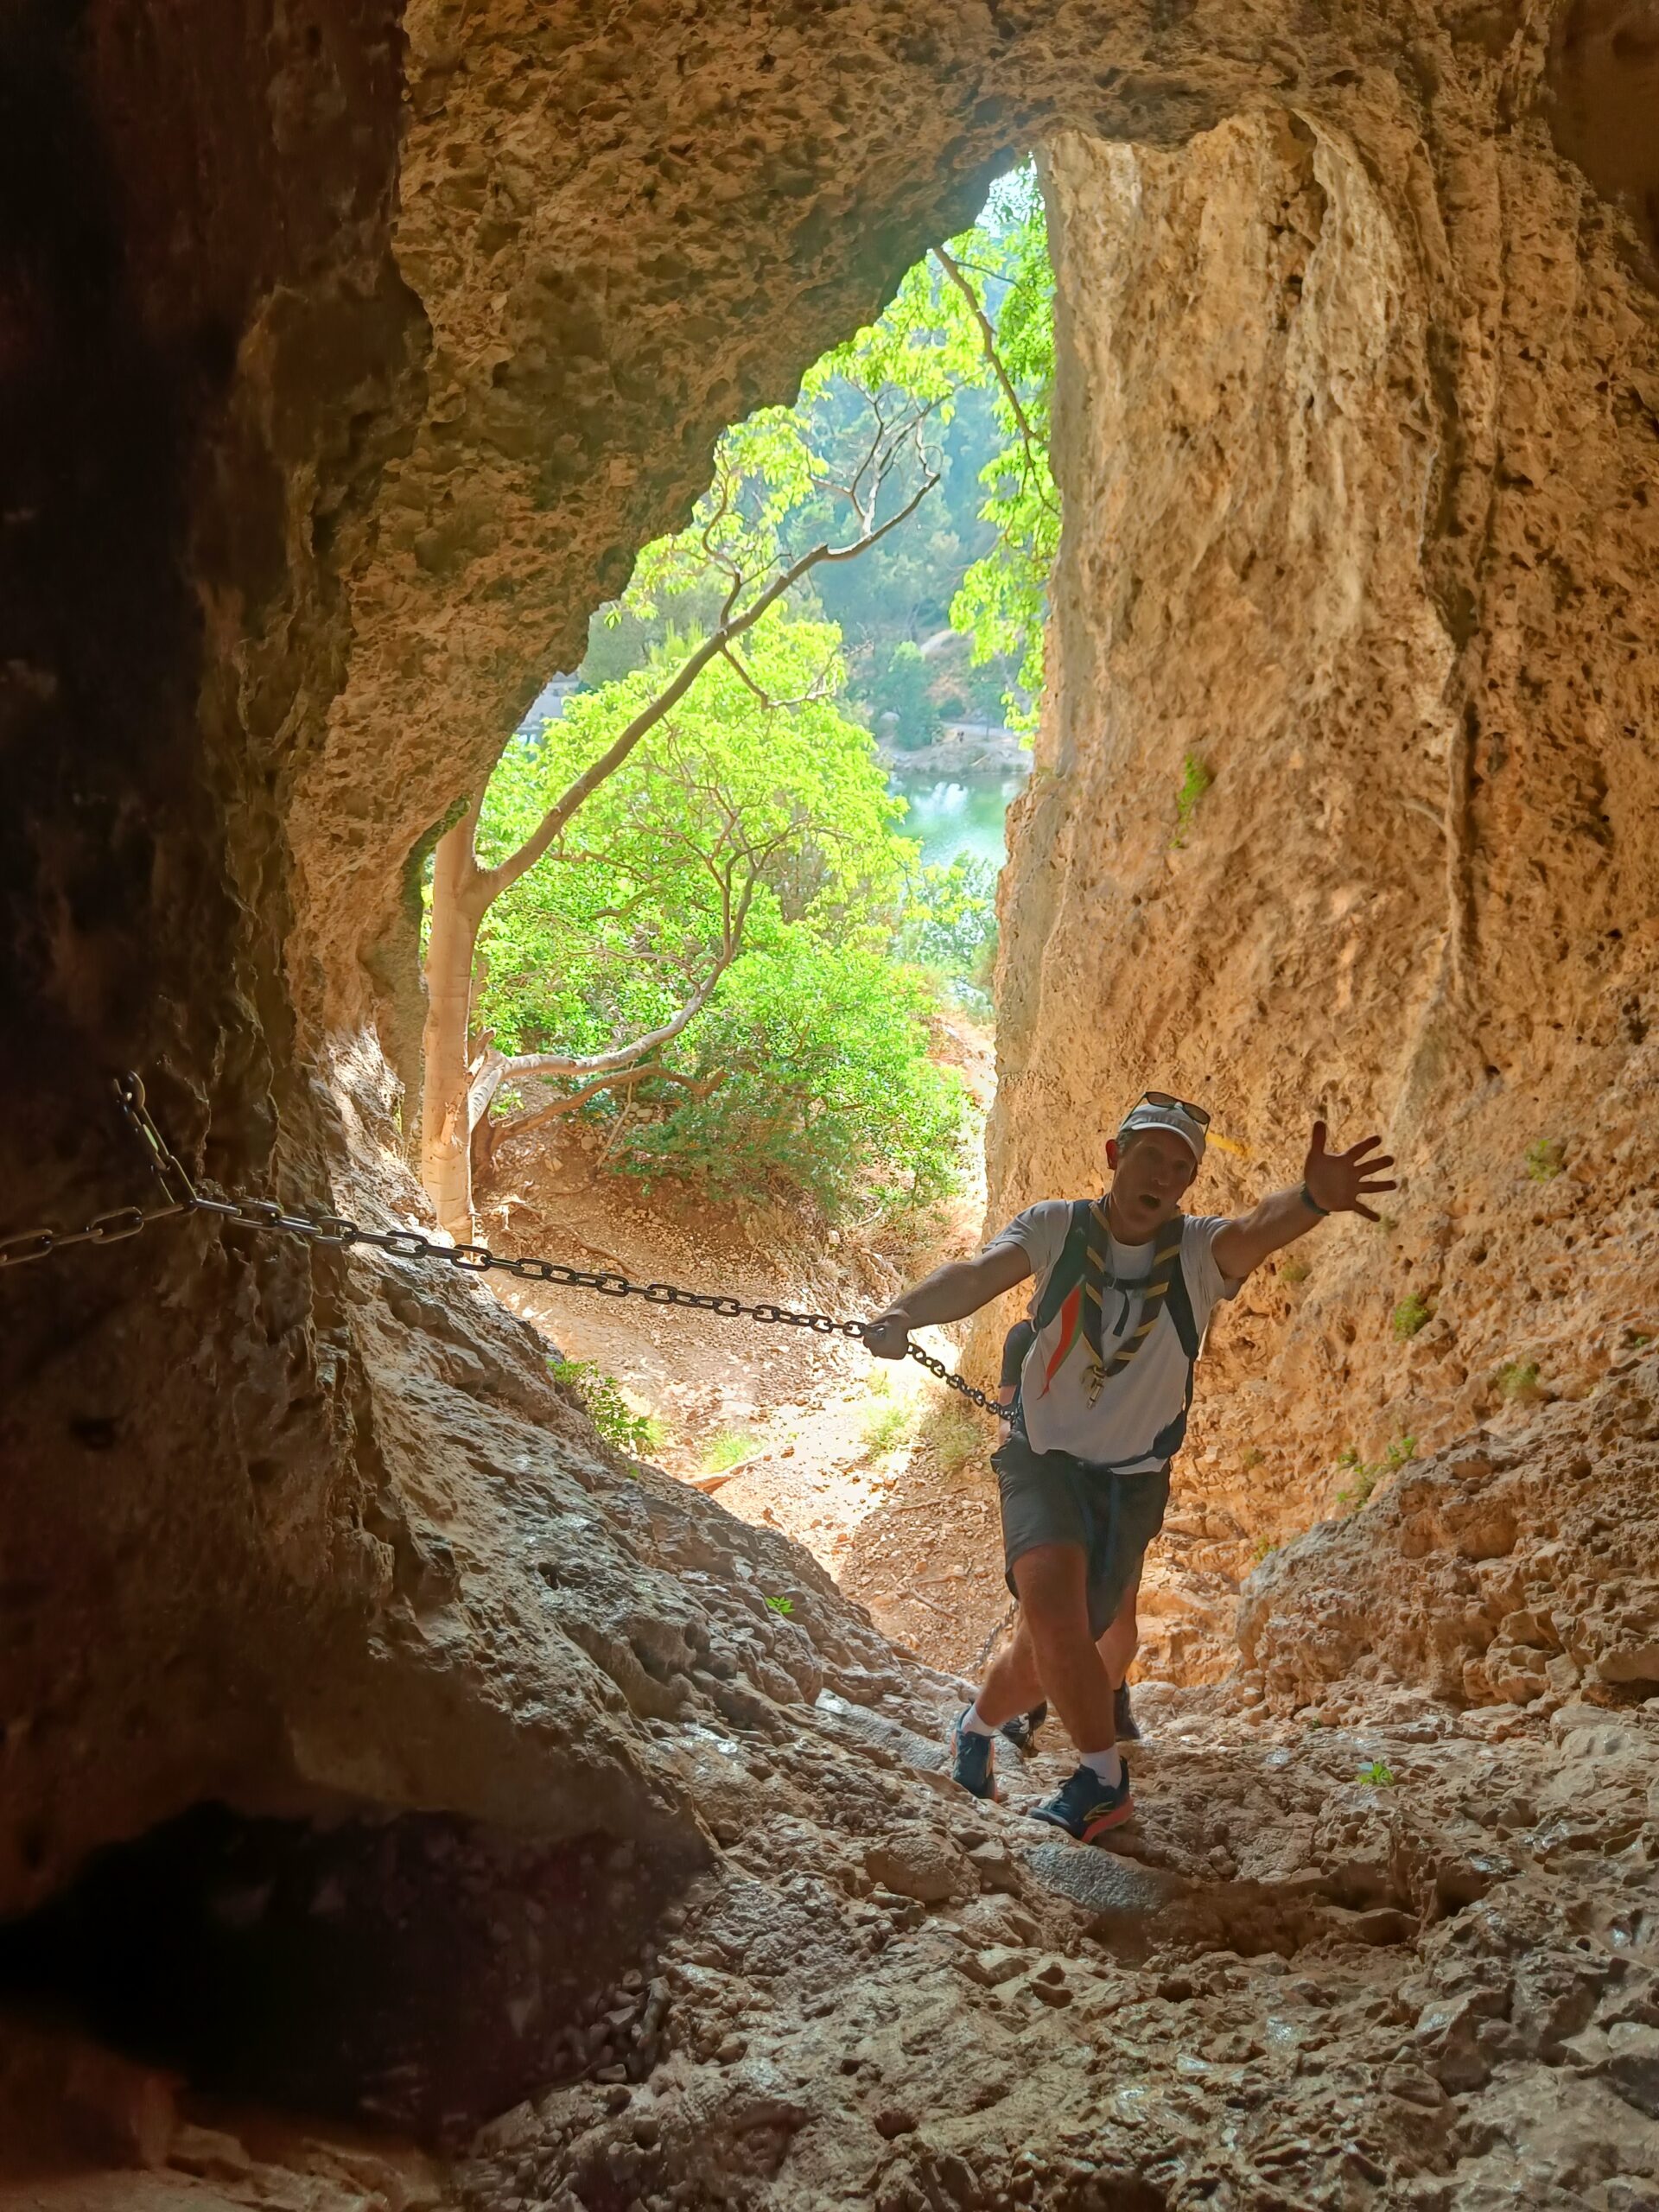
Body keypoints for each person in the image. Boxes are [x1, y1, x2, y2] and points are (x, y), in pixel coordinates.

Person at [865, 1094, 1395, 1845]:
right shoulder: (1057, 1227)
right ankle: (1102, 1782)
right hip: (1042, 1461)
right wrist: (903, 1314)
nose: (1163, 1176)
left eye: (1180, 1167)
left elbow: (1256, 1229)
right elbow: (977, 1274)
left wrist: (1311, 1199)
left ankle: (976, 1728)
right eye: (1151, 1157)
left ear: (1189, 1182)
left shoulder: (1199, 1253)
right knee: (1053, 1606)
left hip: (1131, 1482)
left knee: (1049, 1646)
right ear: (1116, 1156)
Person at [989, 1319, 1140, 1756]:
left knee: (1119, 1612)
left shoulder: (1128, 1330)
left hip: (1117, 1485)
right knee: (1042, 1603)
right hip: (1049, 1482)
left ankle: (1111, 1696)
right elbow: (1006, 1421)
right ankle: (1027, 1704)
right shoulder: (1025, 1337)